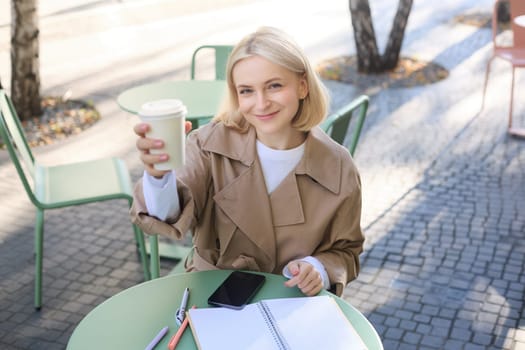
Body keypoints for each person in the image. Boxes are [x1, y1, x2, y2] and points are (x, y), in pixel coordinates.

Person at [130, 26, 364, 297]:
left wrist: (318, 269)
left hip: (290, 304)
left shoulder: (338, 166)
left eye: (274, 86)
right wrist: (159, 176)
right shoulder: (208, 145)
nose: (261, 103)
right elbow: (167, 214)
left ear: (302, 85)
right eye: (247, 91)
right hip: (214, 299)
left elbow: (347, 251)